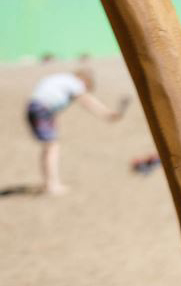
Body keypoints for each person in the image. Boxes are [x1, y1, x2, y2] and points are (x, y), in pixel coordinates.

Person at [25, 63, 129, 195]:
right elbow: (86, 101)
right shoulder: (75, 82)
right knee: (52, 147)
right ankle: (51, 185)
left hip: (36, 108)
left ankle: (48, 183)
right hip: (41, 110)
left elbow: (48, 96)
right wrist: (107, 114)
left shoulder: (63, 79)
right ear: (84, 80)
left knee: (49, 146)